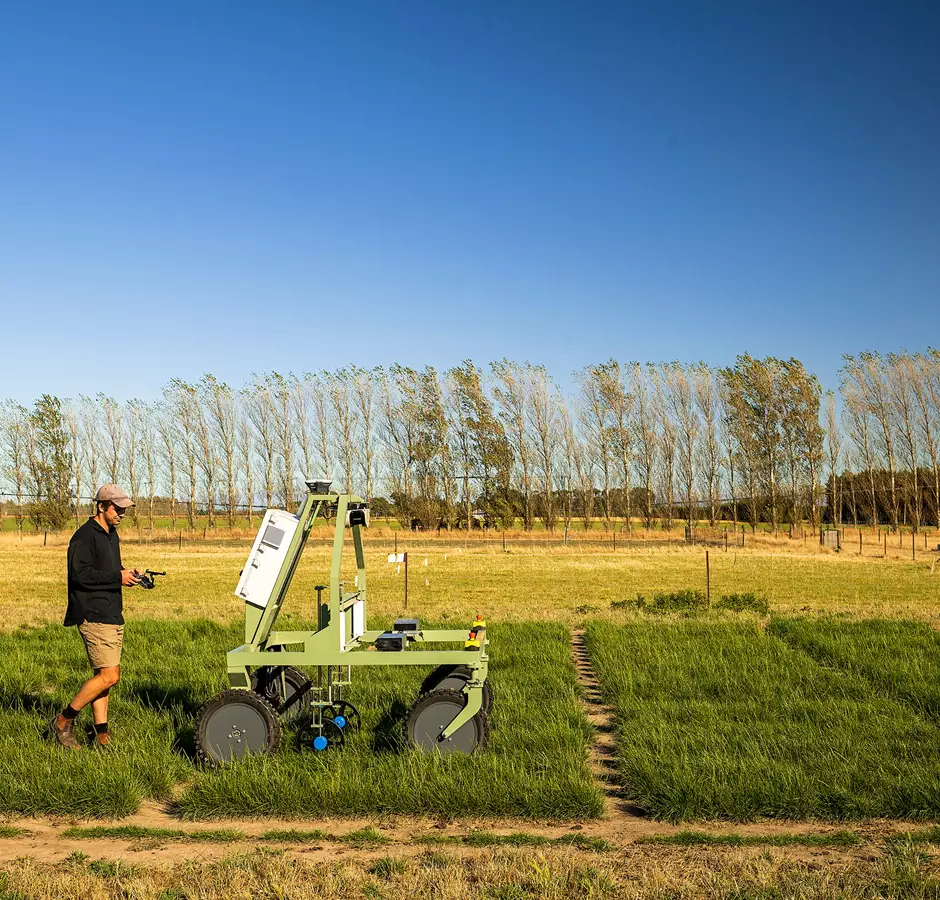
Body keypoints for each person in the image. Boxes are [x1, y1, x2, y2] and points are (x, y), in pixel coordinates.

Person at [51, 484, 141, 750]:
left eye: (124, 509)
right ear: (101, 506)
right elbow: (80, 575)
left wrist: (127, 573)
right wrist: (117, 577)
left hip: (112, 611)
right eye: (118, 508)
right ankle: (63, 721)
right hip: (93, 613)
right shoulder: (83, 537)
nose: (122, 513)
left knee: (103, 675)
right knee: (110, 676)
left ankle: (101, 735)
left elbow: (109, 569)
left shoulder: (111, 534)